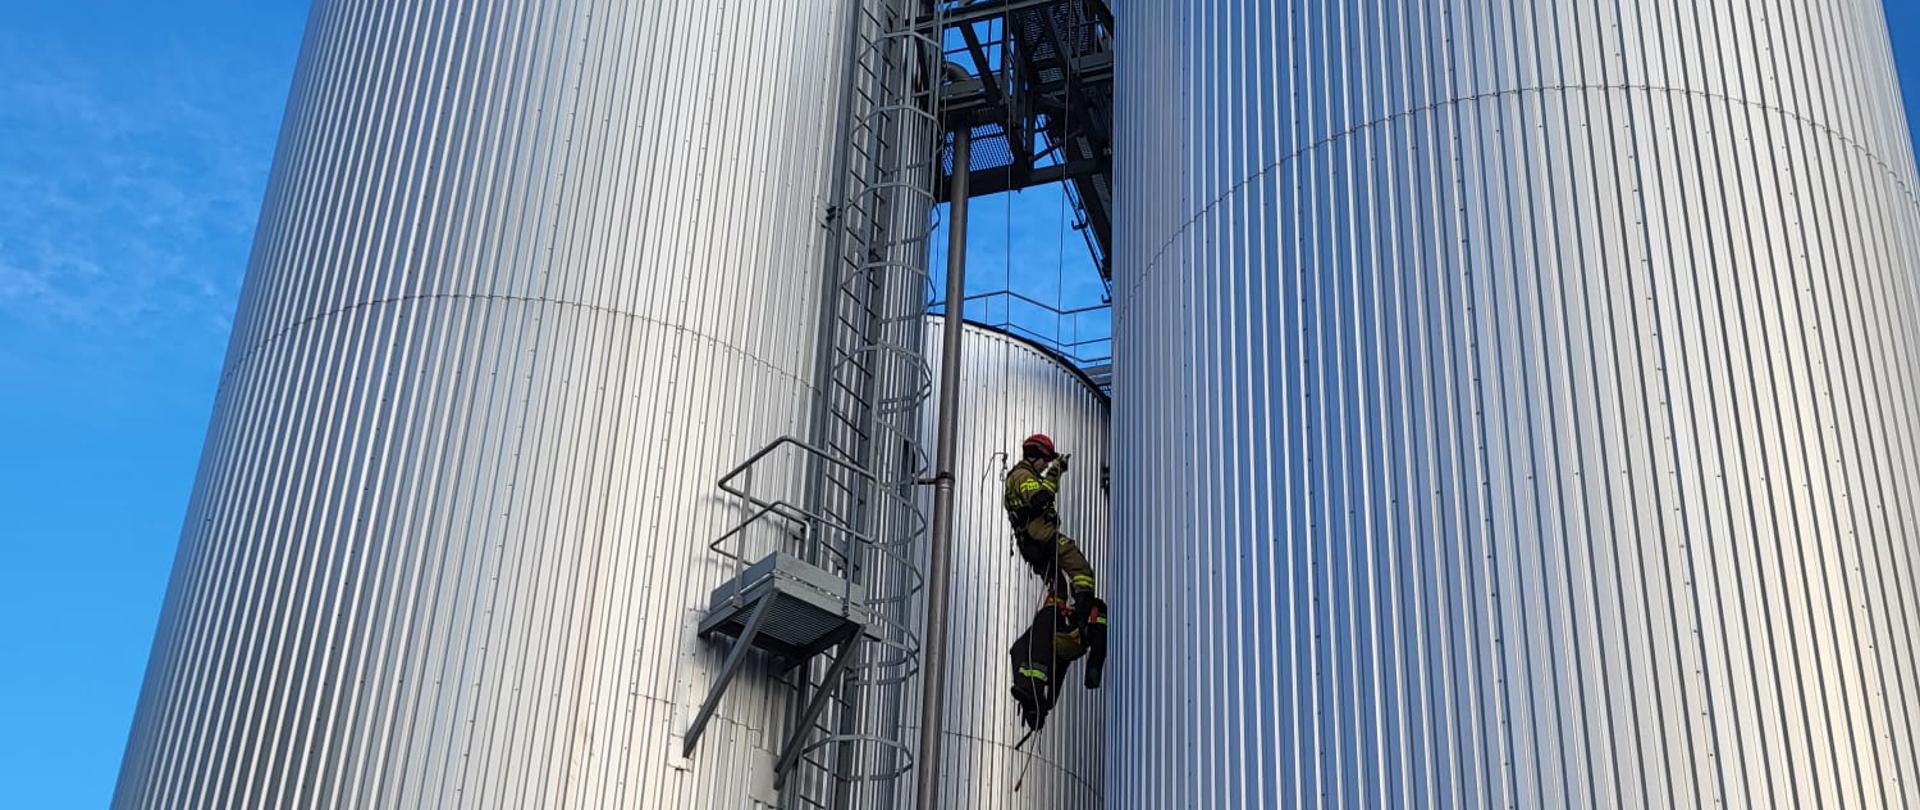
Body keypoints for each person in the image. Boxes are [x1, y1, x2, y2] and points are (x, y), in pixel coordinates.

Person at [1002, 433, 1098, 627]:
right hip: (1041, 537)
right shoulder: (1022, 476)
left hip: (1030, 544)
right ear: (1034, 455)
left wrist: (1055, 471)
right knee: (1081, 570)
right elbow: (1040, 498)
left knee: (1059, 589)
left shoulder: (1023, 476)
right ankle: (1081, 620)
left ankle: (1053, 623)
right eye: (1045, 460)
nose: (1045, 465)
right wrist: (1055, 471)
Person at [1009, 596, 1109, 730]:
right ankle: (1032, 699)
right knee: (1020, 648)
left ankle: (1033, 692)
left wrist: (1092, 674)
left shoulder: (1093, 608)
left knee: (1042, 624)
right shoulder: (1063, 610)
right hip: (1063, 641)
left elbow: (1098, 646)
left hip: (1072, 637)